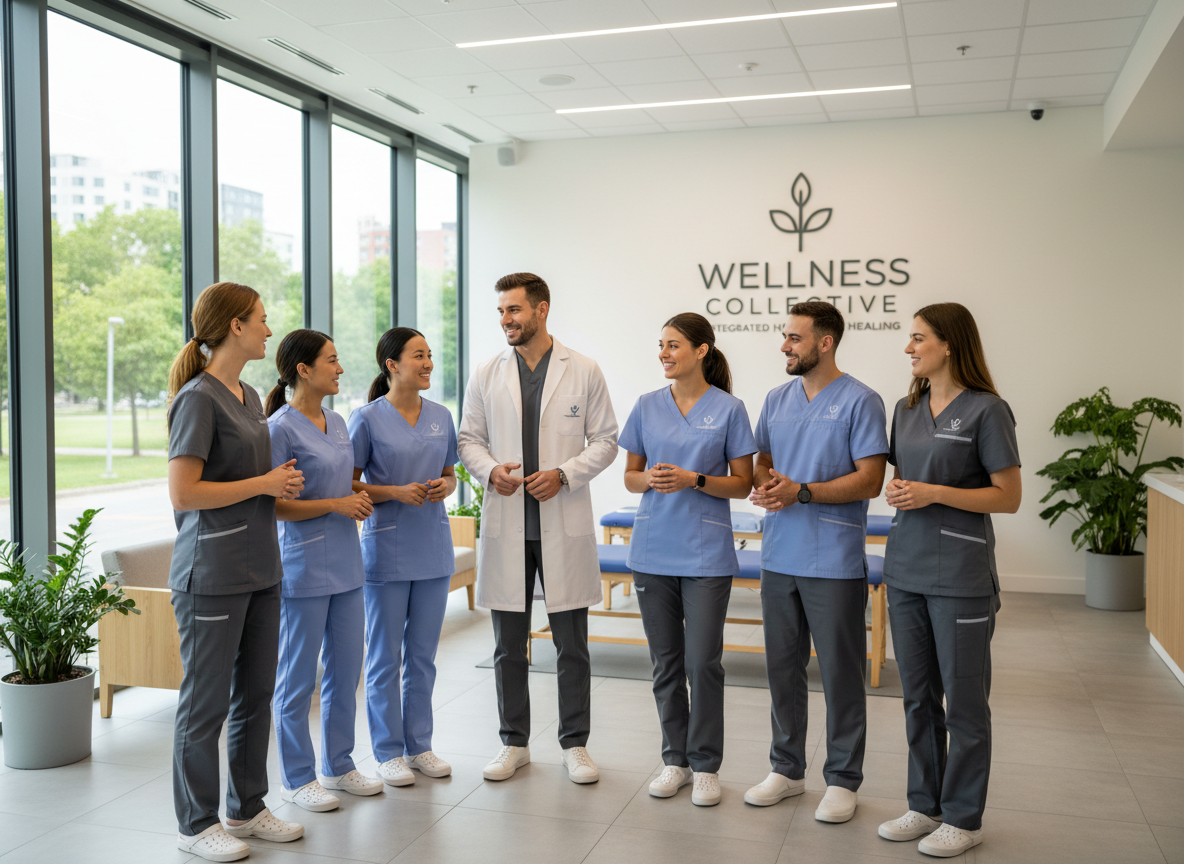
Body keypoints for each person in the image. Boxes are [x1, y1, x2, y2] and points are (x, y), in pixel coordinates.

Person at [458, 272, 618, 785]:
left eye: (514, 310)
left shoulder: (583, 370)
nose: (506, 320)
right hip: (509, 525)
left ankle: (575, 744)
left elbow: (606, 440)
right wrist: (490, 471)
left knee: (572, 644)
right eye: (501, 312)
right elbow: (469, 440)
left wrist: (565, 474)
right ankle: (514, 742)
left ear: (542, 309)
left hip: (561, 523)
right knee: (508, 645)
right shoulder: (486, 372)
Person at [167, 282, 306, 862]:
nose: (269, 330)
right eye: (262, 320)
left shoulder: (249, 395)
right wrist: (266, 484)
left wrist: (280, 487)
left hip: (261, 568)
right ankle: (196, 824)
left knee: (256, 693)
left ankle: (246, 807)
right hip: (213, 570)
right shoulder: (198, 398)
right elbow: (184, 492)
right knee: (205, 704)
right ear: (235, 327)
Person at [877, 303, 1021, 859]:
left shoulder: (988, 411)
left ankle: (964, 816)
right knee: (917, 697)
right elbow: (904, 480)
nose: (909, 348)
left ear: (950, 344)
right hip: (907, 567)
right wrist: (903, 491)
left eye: (918, 338)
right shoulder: (905, 408)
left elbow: (1008, 497)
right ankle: (925, 804)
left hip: (960, 575)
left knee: (963, 703)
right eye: (909, 339)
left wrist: (934, 492)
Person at [743, 301, 888, 824]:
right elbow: (761, 460)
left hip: (833, 558)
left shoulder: (862, 401)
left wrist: (801, 491)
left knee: (840, 673)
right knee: (782, 668)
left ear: (825, 343)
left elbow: (870, 480)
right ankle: (786, 769)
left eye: (795, 338)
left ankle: (843, 778)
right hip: (779, 554)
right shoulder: (776, 399)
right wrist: (766, 482)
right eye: (785, 337)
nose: (785, 345)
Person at [619, 313, 756, 807]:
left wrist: (694, 479)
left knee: (704, 663)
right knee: (666, 664)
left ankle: (705, 765)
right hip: (653, 550)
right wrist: (651, 482)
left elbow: (744, 483)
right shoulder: (646, 406)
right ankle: (673, 760)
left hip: (706, 554)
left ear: (701, 350)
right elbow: (630, 476)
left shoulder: (730, 409)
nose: (663, 353)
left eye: (673, 345)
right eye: (660, 345)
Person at [265, 330, 384, 813]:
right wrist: (337, 503)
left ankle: (338, 764)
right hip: (304, 567)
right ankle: (297, 777)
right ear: (304, 370)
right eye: (331, 361)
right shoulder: (279, 428)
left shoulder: (336, 421)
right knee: (297, 679)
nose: (340, 369)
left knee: (345, 671)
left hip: (348, 566)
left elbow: (349, 484)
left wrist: (354, 501)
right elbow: (272, 505)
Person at [348, 327, 459, 787]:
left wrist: (443, 486)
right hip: (387, 552)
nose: (428, 363)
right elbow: (347, 483)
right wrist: (394, 492)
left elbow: (451, 475)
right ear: (392, 365)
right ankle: (387, 751)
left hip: (432, 548)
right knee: (384, 657)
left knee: (423, 656)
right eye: (419, 356)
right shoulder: (366, 419)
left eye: (430, 355)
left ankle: (420, 745)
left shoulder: (440, 415)